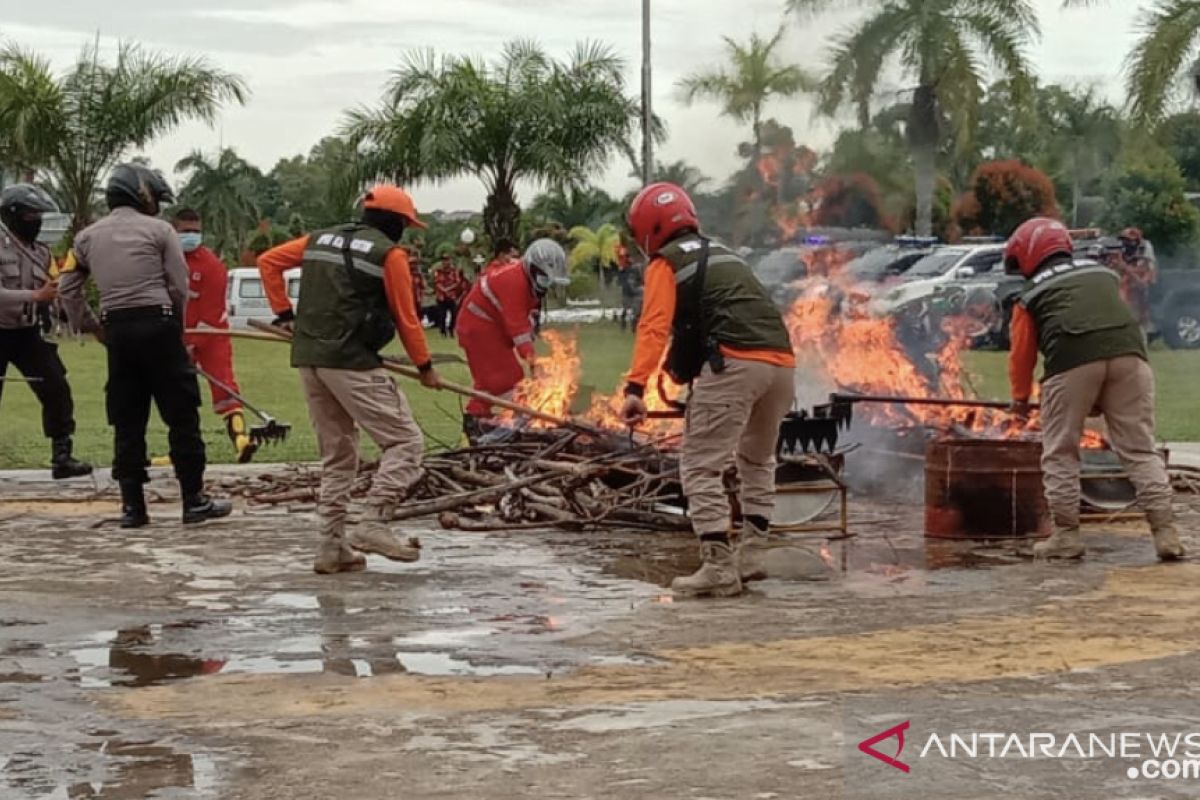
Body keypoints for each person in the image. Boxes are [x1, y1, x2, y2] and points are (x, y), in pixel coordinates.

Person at [619, 182, 801, 598]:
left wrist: (635, 386)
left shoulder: (666, 263)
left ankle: (718, 566)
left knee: (701, 465)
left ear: (649, 229)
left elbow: (653, 326)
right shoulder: (726, 255)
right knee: (757, 459)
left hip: (734, 363)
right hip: (781, 365)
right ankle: (752, 555)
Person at [256, 184, 441, 575]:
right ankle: (373, 522)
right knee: (406, 442)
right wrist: (425, 366)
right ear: (395, 223)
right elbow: (407, 318)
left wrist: (283, 314)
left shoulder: (320, 239)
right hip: (353, 361)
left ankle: (331, 546)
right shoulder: (389, 255)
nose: (405, 232)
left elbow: (268, 261)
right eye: (406, 224)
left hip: (310, 360)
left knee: (338, 457)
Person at [59, 164, 231, 528]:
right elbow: (178, 284)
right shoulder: (160, 230)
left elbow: (67, 290)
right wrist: (175, 330)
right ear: (143, 195)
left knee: (127, 417)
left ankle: (132, 508)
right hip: (159, 323)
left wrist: (91, 326)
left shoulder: (86, 237)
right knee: (182, 413)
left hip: (117, 329)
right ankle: (193, 500)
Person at [1006, 216, 1183, 561]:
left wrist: (1019, 400)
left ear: (1028, 254)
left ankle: (1067, 536)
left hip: (1071, 363)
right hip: (1133, 359)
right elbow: (1109, 317)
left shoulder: (1028, 295)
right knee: (1140, 450)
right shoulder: (1102, 274)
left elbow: (1021, 357)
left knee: (1060, 451)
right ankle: (1167, 535)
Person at [0, 184, 92, 479]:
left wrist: (65, 307)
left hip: (26, 333)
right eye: (31, 215)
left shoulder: (40, 252)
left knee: (55, 386)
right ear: (12, 214)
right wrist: (35, 297)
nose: (37, 221)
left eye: (40, 215)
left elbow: (55, 287)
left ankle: (62, 456)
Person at [456, 238, 568, 438]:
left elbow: (523, 319)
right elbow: (517, 327)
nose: (545, 286)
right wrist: (534, 363)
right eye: (544, 279)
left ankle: (476, 423)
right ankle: (497, 427)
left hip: (489, 328)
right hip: (479, 329)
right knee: (508, 379)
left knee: (487, 383)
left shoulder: (525, 279)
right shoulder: (513, 281)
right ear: (532, 269)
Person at [172, 208, 257, 463]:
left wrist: (193, 344)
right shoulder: (163, 259)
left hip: (211, 334)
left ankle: (241, 440)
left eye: (196, 232)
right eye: (185, 232)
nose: (191, 236)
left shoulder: (211, 266)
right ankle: (181, 449)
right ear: (172, 231)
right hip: (174, 336)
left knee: (224, 386)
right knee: (176, 393)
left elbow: (212, 310)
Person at [1116, 227, 1156, 330]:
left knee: (1144, 293)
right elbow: (1121, 266)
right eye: (1124, 240)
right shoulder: (1120, 248)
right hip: (1129, 277)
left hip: (1143, 277)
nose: (1126, 242)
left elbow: (1149, 268)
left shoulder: (1145, 247)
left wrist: (1142, 281)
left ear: (1136, 241)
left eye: (1129, 240)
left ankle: (1146, 322)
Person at [432, 252, 467, 336]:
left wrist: (449, 288)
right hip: (441, 297)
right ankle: (443, 331)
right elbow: (436, 283)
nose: (446, 262)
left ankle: (451, 330)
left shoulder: (454, 271)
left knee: (454, 314)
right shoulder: (438, 271)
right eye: (444, 260)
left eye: (447, 260)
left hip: (451, 296)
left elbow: (457, 282)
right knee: (442, 315)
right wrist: (443, 289)